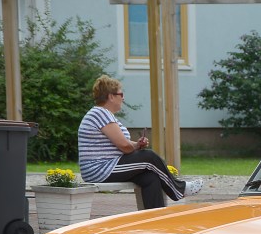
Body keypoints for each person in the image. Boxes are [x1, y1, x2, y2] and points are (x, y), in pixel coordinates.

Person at [78, 75, 202, 209]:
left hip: (107, 167)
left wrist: (137, 145)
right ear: (111, 96)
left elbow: (124, 144)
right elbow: (124, 146)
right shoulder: (100, 113)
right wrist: (135, 147)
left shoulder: (102, 114)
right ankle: (179, 189)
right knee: (148, 157)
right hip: (100, 170)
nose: (123, 98)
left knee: (150, 177)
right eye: (121, 94)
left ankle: (154, 219)